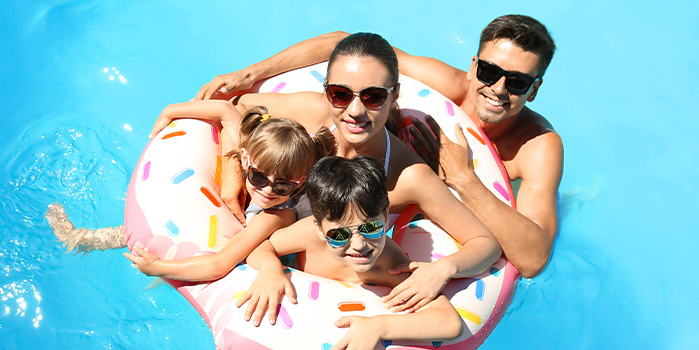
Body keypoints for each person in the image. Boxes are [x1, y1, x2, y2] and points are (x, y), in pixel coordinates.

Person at [151, 32, 501, 325]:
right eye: (340, 94)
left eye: (374, 96)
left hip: (326, 264)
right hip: (262, 236)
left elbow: (485, 244)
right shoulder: (314, 112)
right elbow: (238, 109)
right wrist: (232, 185)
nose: (355, 111)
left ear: (394, 94)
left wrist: (444, 269)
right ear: (327, 91)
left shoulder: (407, 175)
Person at [192, 15, 562, 279]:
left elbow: (532, 259)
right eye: (489, 72)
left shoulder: (536, 145)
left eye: (517, 81)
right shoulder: (441, 86)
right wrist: (252, 74)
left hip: (446, 192)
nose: (498, 89)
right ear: (474, 66)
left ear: (535, 88)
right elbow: (345, 45)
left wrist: (463, 178)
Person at [49, 102, 336, 282]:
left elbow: (219, 264)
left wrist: (159, 267)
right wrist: (171, 111)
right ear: (246, 160)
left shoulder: (278, 215)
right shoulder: (256, 153)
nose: (268, 190)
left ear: (300, 183)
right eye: (258, 177)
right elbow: (226, 112)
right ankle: (83, 238)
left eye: (283, 185)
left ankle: (84, 239)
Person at [245, 155, 463, 349]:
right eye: (339, 234)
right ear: (320, 229)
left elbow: (449, 322)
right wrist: (270, 268)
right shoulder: (309, 235)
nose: (359, 245)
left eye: (371, 228)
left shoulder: (391, 265)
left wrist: (379, 326)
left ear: (386, 218)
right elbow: (261, 247)